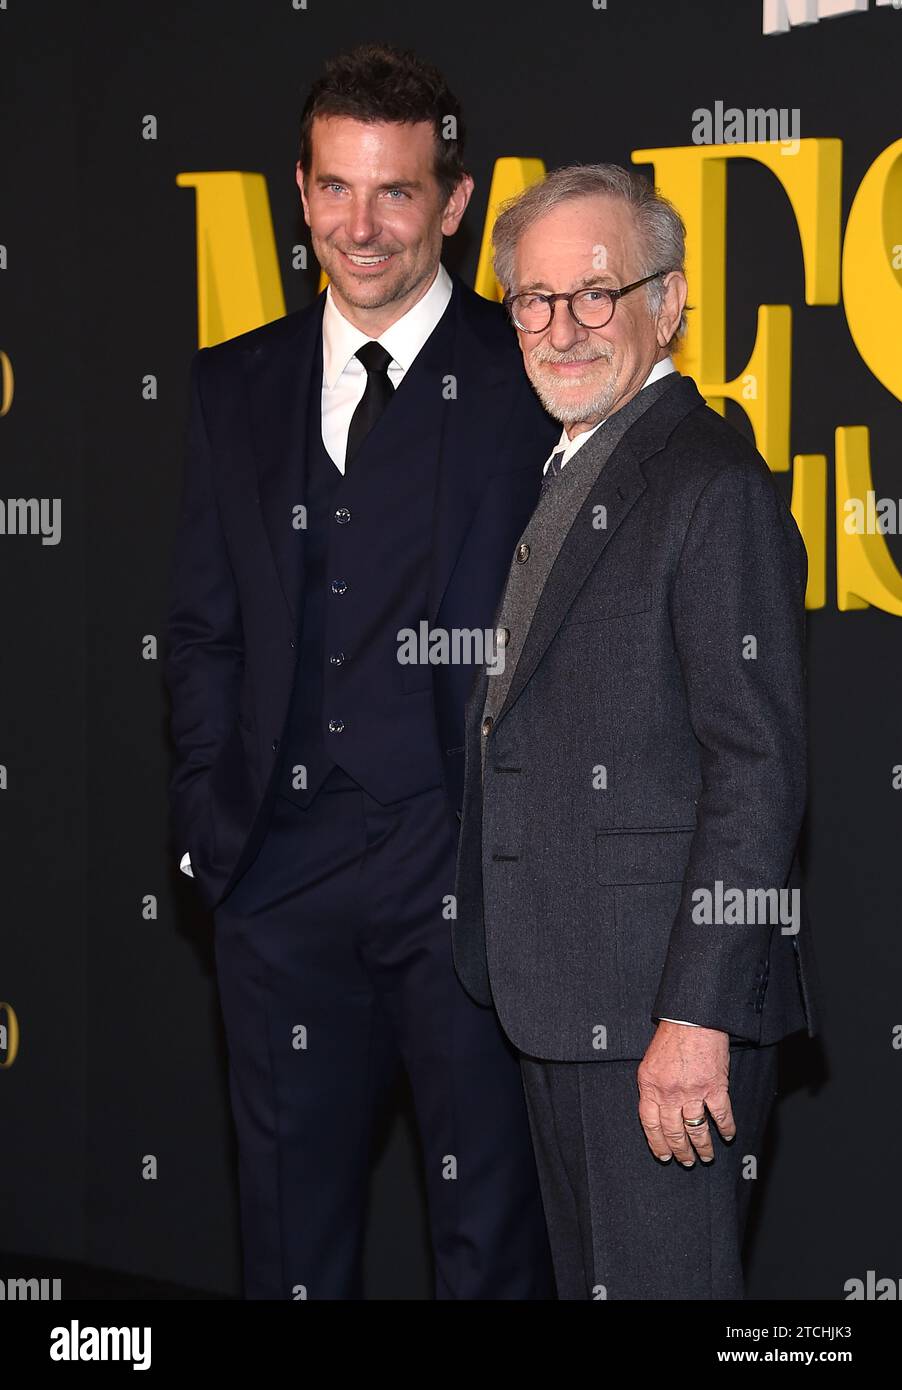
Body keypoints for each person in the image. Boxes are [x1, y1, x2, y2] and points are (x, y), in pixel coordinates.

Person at [165, 43, 557, 1300]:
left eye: (396, 192)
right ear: (298, 190)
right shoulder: (235, 386)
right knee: (288, 1247)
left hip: (468, 877)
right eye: (336, 187)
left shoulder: (531, 379)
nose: (362, 225)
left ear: (455, 200)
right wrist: (205, 821)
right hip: (279, 876)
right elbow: (205, 625)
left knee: (491, 1244)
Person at [452, 163, 822, 1300]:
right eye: (533, 297)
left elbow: (756, 769)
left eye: (596, 293)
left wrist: (692, 1015)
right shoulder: (572, 460)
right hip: (566, 1003)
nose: (561, 328)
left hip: (661, 1024)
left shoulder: (709, 484)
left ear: (668, 305)